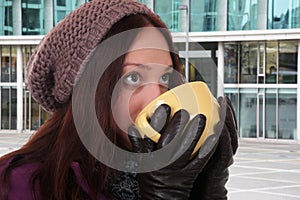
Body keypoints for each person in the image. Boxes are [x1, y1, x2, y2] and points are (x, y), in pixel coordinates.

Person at [0, 0, 238, 199]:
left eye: (165, 76)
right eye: (133, 77)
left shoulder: (174, 175)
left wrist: (208, 193)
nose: (157, 96)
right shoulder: (19, 183)